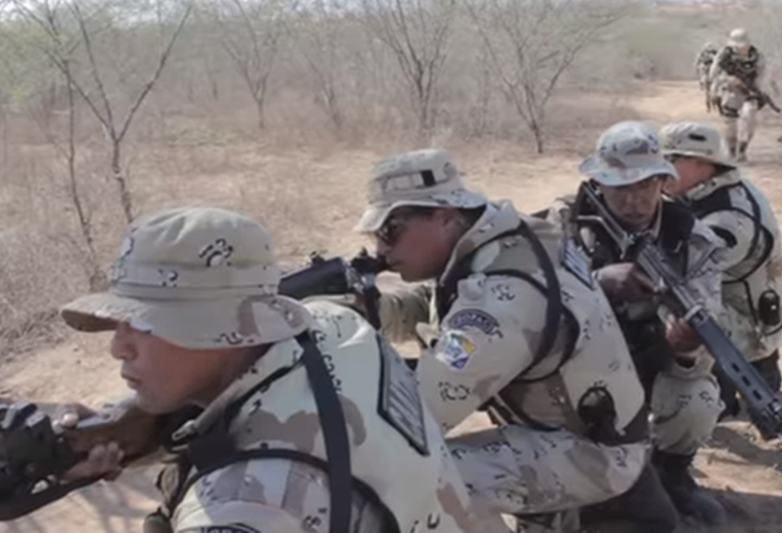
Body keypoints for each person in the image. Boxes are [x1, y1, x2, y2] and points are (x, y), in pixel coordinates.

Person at [47, 206, 489, 533]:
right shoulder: (336, 324)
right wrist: (130, 431)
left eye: (143, 325)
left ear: (217, 330)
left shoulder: (246, 504)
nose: (117, 347)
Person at [353, 148, 659, 533]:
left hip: (594, 453)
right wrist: (366, 309)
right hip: (568, 428)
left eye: (390, 231)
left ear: (444, 215)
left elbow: (415, 420)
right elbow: (435, 305)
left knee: (418, 479)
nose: (380, 250)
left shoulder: (501, 300)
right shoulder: (501, 240)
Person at [542, 121, 728, 526]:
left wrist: (684, 348)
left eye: (645, 184)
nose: (634, 200)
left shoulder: (694, 240)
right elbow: (532, 300)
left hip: (647, 361)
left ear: (663, 180)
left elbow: (704, 338)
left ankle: (672, 475)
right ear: (597, 182)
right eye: (619, 186)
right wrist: (597, 284)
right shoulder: (563, 223)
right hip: (573, 365)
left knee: (696, 396)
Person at [659, 121, 782, 416]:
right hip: (739, 307)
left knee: (658, 312)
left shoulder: (730, 218)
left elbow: (681, 271)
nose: (659, 170)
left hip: (747, 328)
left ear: (702, 163)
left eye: (669, 160)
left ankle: (709, 398)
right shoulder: (708, 190)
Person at [708, 28, 768, 162]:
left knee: (750, 115)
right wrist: (728, 80)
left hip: (749, 91)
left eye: (744, 45)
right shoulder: (724, 56)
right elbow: (714, 74)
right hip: (730, 91)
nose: (742, 49)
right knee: (730, 123)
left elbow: (761, 76)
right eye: (739, 46)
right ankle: (731, 150)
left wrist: (758, 90)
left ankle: (742, 149)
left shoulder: (757, 56)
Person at [694, 42, 718, 111]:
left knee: (710, 91)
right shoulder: (703, 55)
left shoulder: (715, 54)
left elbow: (697, 64)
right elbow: (697, 64)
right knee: (708, 91)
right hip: (707, 73)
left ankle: (711, 105)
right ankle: (710, 106)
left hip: (711, 73)